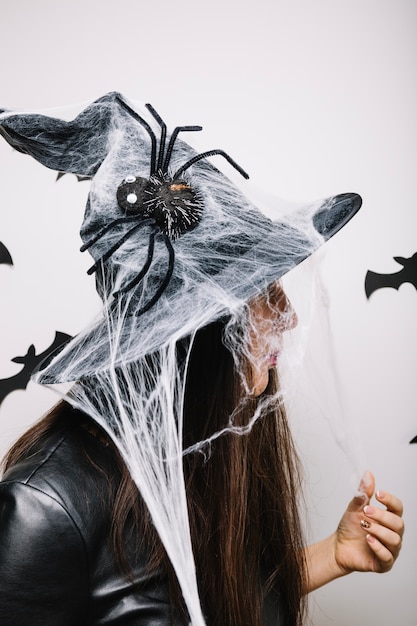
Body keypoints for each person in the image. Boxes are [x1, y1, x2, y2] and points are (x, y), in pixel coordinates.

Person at [0, 94, 404, 626]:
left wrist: (331, 554)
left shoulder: (200, 448)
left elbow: (210, 599)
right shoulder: (45, 510)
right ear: (197, 330)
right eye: (264, 292)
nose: (289, 318)